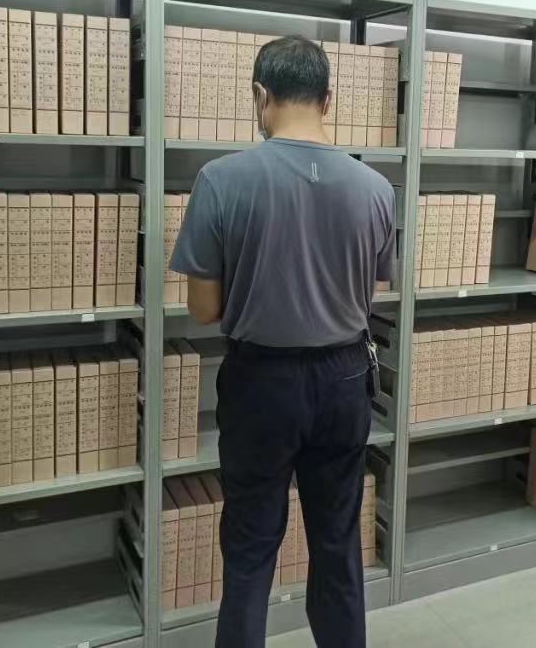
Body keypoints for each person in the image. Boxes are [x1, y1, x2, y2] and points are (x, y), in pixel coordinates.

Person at [171, 35, 396, 647]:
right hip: (345, 379)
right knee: (337, 541)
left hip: (261, 383)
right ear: (329, 99)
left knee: (249, 549)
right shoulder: (375, 188)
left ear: (260, 95)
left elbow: (203, 309)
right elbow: (370, 287)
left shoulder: (220, 180)